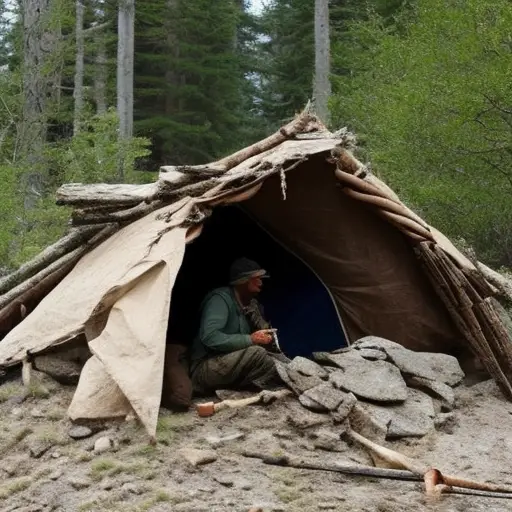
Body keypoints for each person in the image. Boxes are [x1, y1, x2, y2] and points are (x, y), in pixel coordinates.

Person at [190, 257, 281, 395]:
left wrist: (264, 334)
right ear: (243, 281)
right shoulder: (220, 300)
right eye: (256, 278)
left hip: (228, 364)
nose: (261, 283)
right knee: (257, 353)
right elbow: (210, 337)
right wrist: (250, 339)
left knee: (275, 358)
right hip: (205, 367)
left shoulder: (250, 305)